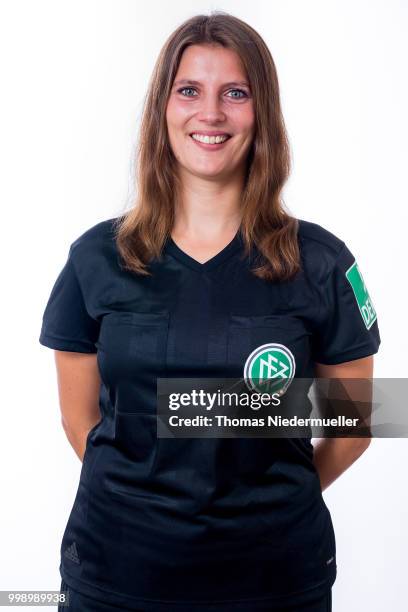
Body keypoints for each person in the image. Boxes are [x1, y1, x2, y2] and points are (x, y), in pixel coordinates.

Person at [39, 11, 380, 612]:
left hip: (274, 581)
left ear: (262, 114)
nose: (211, 113)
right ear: (162, 109)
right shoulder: (96, 258)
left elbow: (356, 424)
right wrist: (147, 504)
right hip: (117, 576)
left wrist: (274, 503)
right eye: (189, 90)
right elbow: (79, 422)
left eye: (236, 93)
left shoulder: (321, 263)